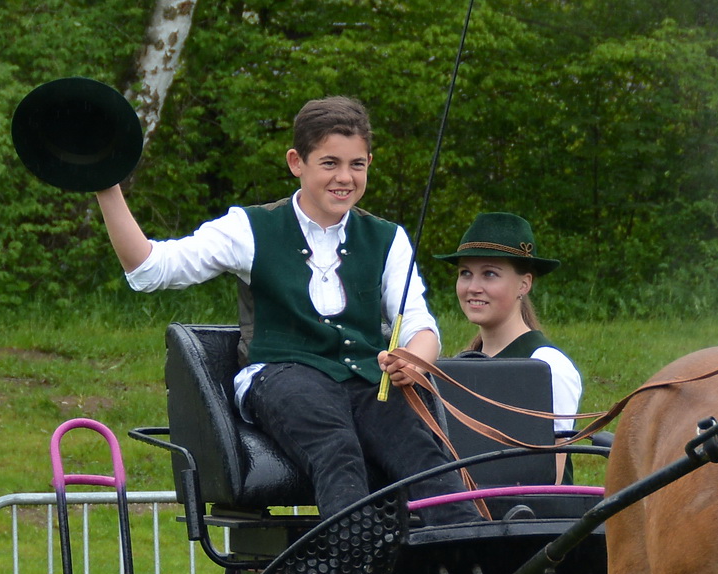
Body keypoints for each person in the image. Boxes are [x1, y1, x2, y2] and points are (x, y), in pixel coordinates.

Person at [93, 96, 476, 526]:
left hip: (367, 380)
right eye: (329, 163)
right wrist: (107, 186)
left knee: (424, 457)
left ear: (369, 162)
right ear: (297, 162)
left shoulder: (388, 238)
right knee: (336, 447)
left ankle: (467, 570)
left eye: (357, 165)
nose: (344, 178)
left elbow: (418, 321)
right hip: (281, 375)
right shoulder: (249, 228)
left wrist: (416, 356)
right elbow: (150, 269)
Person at [436, 213, 582, 482]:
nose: (473, 287)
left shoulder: (548, 365)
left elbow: (553, 478)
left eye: (490, 274)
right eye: (465, 273)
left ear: (524, 284)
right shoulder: (460, 365)